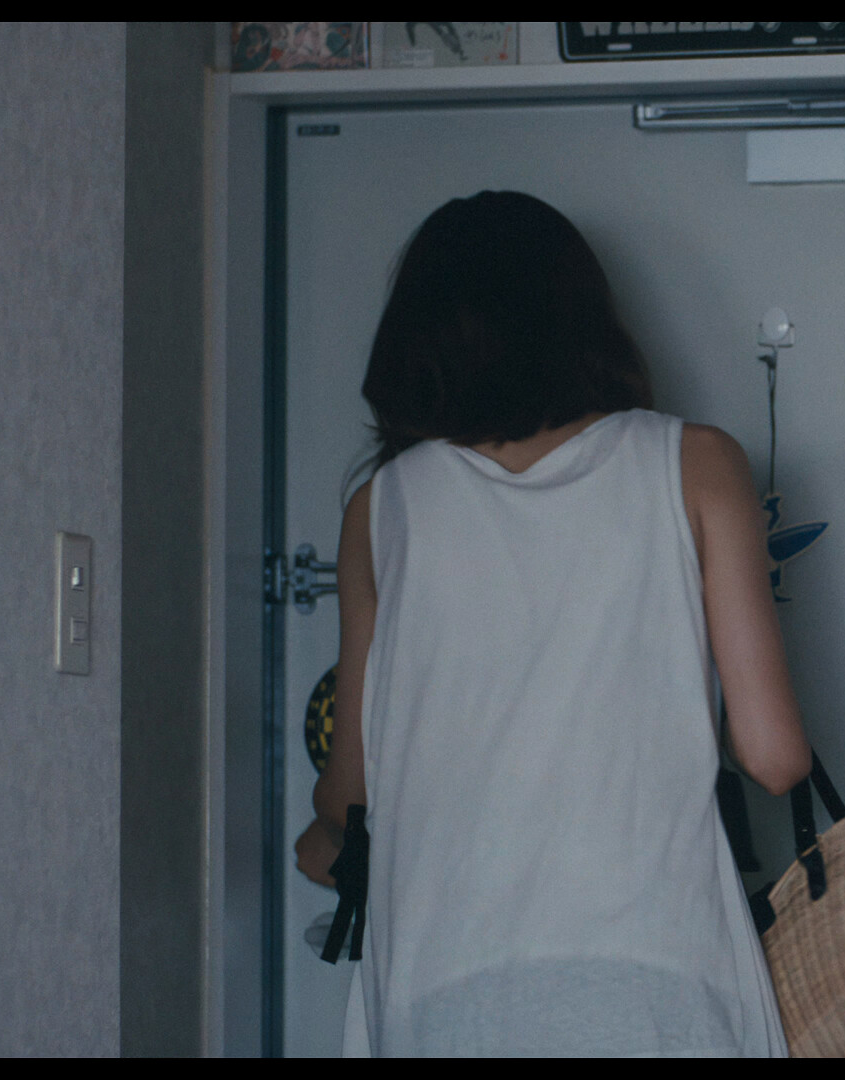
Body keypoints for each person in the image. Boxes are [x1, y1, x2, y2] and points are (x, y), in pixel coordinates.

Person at [292, 190, 812, 1057]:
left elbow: (353, 790)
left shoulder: (383, 509)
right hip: (659, 979)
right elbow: (775, 758)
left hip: (446, 984)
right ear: (584, 319)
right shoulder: (695, 463)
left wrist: (322, 836)